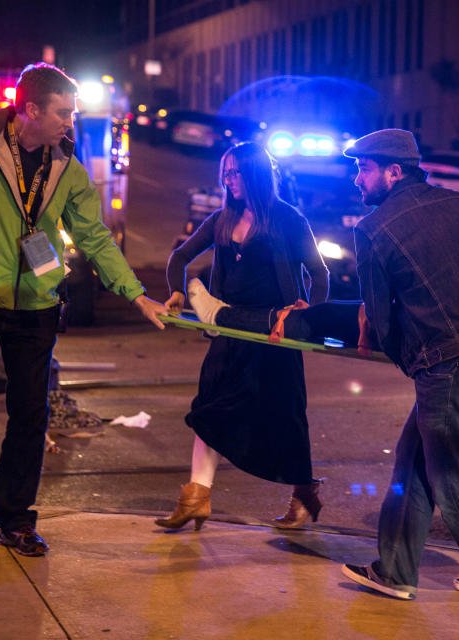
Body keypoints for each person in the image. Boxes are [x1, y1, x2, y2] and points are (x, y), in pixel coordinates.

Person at [0, 63, 167, 557]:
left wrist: (135, 293)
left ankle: (16, 518)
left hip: (38, 303)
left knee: (31, 413)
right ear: (30, 110)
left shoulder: (67, 166)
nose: (71, 123)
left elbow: (93, 236)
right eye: (64, 113)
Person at [337, 129, 459, 600]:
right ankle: (395, 570)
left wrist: (415, 362)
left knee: (450, 474)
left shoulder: (373, 229)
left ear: (393, 171)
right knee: (412, 462)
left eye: (363, 168)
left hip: (450, 363)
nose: (356, 178)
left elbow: (382, 322)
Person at [156, 141, 329, 531]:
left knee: (285, 417)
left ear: (255, 173)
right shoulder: (222, 218)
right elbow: (180, 257)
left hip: (274, 333)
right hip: (230, 331)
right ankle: (196, 497)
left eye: (236, 172)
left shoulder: (287, 219)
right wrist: (178, 292)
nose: (229, 180)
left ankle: (304, 496)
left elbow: (320, 275)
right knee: (208, 409)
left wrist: (308, 311)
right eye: (226, 173)